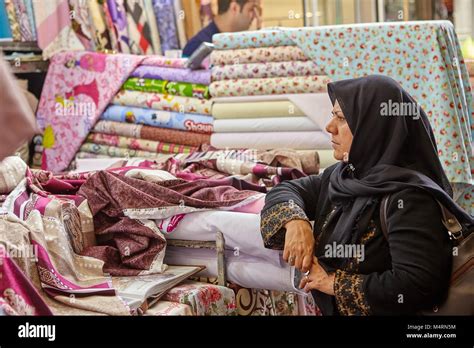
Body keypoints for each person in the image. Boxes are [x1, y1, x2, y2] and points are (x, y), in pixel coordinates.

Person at [260, 75, 473, 315]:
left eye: (341, 118)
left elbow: (418, 284)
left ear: (374, 127)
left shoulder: (409, 199)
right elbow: (286, 190)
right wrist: (295, 222)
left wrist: (333, 283)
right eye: (333, 115)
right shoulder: (343, 177)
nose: (329, 126)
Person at [182, 0, 261, 57]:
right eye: (251, 9)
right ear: (234, 8)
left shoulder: (237, 42)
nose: (255, 16)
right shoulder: (195, 48)